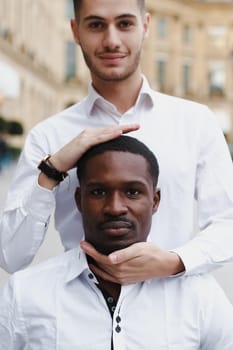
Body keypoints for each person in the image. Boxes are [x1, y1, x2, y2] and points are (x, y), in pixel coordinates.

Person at [1, 0, 233, 283]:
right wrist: (52, 170)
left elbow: (228, 222)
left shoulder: (196, 122)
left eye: (124, 24)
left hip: (170, 315)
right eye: (96, 25)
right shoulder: (48, 135)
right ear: (75, 30)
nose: (111, 41)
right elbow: (11, 256)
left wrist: (174, 262)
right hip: (79, 315)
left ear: (145, 26)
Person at [0, 135, 233, 350]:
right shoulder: (25, 293)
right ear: (79, 200)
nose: (115, 208)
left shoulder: (200, 296)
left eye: (132, 192)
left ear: (155, 200)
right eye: (99, 192)